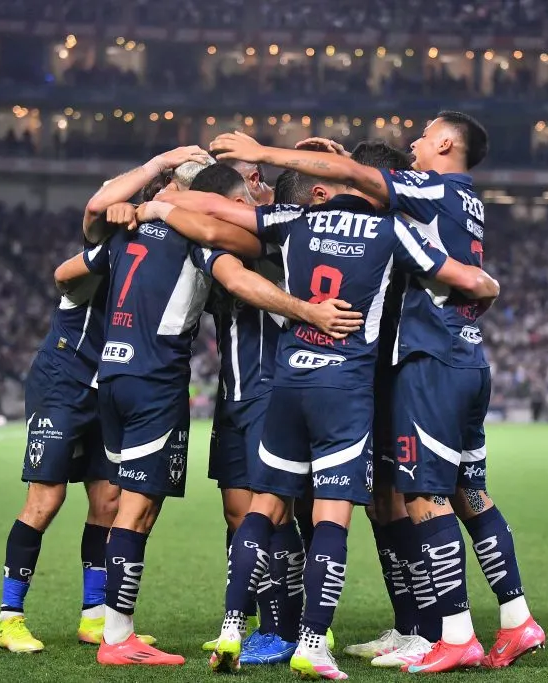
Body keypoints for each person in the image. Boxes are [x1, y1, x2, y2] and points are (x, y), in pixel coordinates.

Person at [212, 114, 546, 673]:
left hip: (421, 364)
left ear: (445, 144)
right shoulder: (462, 203)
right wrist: (485, 283)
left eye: (424, 135)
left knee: (418, 499)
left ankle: (446, 632)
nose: (414, 142)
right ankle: (509, 620)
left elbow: (354, 178)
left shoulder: (425, 193)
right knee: (464, 493)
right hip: (459, 358)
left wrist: (261, 150)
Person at [66, 161, 362, 667]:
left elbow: (71, 265)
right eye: (244, 181)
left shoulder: (274, 229)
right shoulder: (184, 231)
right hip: (227, 394)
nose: (252, 188)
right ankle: (146, 629)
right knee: (233, 509)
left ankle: (284, 625)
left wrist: (149, 206)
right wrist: (152, 208)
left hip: (270, 390)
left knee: (270, 511)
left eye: (257, 178)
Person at [0, 146, 210, 655]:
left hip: (112, 382)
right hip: (67, 377)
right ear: (161, 193)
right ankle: (9, 616)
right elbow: (91, 217)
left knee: (107, 502)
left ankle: (94, 615)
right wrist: (158, 165)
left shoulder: (173, 244)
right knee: (46, 499)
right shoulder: (122, 231)